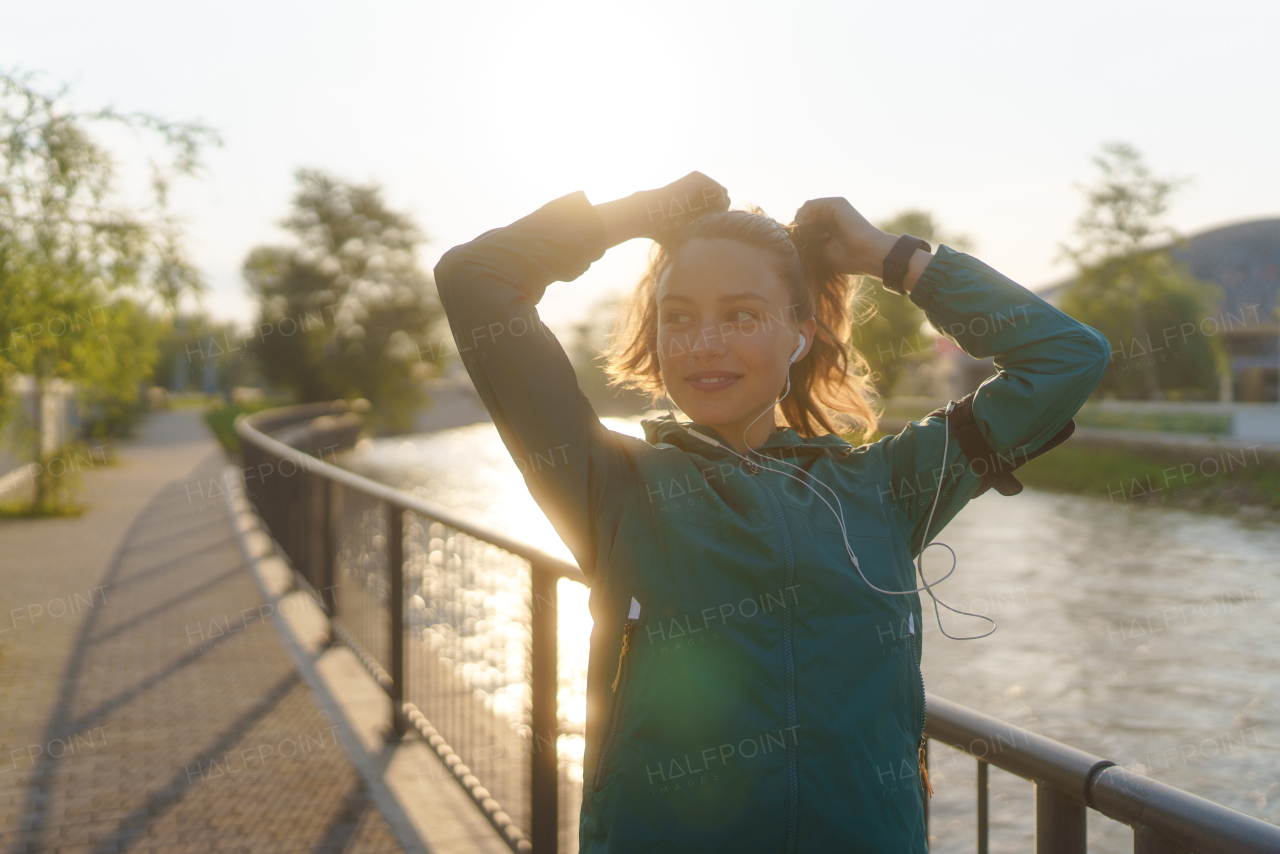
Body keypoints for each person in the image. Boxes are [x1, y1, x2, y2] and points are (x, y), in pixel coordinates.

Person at [434, 172, 1110, 852]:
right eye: (679, 317)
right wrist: (641, 214)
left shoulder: (883, 487)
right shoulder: (608, 487)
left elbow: (1067, 358)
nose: (704, 342)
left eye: (741, 315)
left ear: (798, 333)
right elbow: (476, 278)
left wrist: (890, 258)